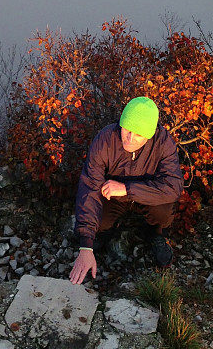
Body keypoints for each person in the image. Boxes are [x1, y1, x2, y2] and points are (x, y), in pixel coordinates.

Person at [69, 96, 183, 285]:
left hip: (146, 196)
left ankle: (156, 234)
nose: (130, 138)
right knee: (96, 224)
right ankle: (102, 235)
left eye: (138, 134)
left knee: (163, 211)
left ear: (149, 134)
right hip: (113, 197)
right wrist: (86, 246)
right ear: (121, 124)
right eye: (127, 129)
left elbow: (173, 187)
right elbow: (89, 187)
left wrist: (127, 189)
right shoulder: (106, 139)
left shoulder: (163, 142)